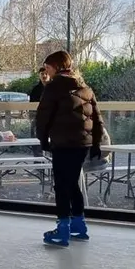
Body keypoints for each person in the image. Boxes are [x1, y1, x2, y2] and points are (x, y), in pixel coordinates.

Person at [35, 51, 104, 247]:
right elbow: (97, 119)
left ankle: (62, 228)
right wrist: (96, 143)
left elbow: (43, 116)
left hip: (63, 142)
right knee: (72, 183)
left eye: (48, 67)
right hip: (83, 144)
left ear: (56, 66)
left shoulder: (53, 87)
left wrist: (43, 140)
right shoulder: (85, 88)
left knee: (62, 185)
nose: (46, 71)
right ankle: (79, 225)